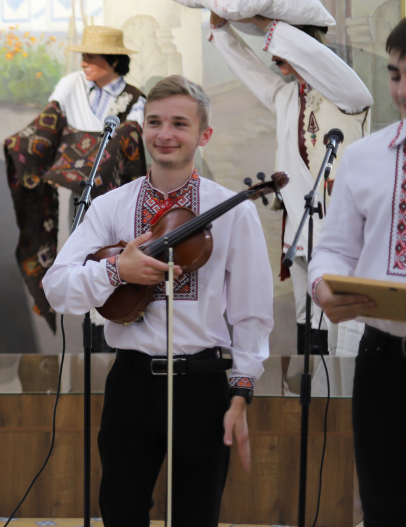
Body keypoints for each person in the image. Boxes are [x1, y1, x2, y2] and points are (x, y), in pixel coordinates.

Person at [42, 75, 273, 526]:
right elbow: (58, 287)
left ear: (203, 134)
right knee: (120, 510)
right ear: (142, 129)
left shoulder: (233, 209)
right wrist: (116, 270)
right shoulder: (111, 206)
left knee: (196, 514)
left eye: (180, 124)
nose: (165, 134)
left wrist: (241, 393)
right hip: (132, 381)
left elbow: (252, 313)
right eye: (154, 122)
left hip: (204, 384)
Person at [209, 12, 373, 354]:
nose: (272, 50)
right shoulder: (286, 97)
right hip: (298, 229)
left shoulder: (348, 95)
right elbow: (250, 70)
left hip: (339, 235)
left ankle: (342, 401)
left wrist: (263, 23)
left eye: (284, 41)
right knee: (307, 319)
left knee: (339, 325)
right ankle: (309, 401)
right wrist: (221, 30)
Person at [308, 18, 406, 526]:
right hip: (385, 360)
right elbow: (333, 250)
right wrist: (322, 283)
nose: (401, 91)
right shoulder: (364, 156)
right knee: (385, 507)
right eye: (394, 74)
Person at [8, 25, 147, 341]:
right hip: (78, 195)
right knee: (79, 257)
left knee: (111, 257)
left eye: (91, 56)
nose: (83, 62)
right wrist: (22, 147)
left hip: (113, 198)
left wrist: (95, 163)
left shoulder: (134, 99)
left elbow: (129, 140)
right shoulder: (71, 86)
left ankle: (111, 329)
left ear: (112, 60)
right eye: (82, 55)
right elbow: (49, 121)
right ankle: (87, 327)